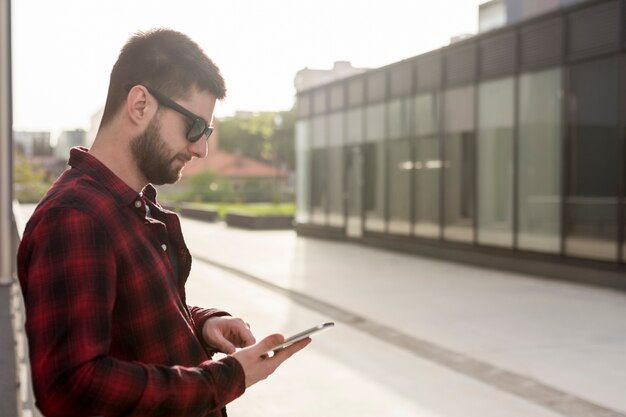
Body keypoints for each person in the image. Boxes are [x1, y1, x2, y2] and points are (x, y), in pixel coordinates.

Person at [17, 28, 310, 417]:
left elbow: (134, 324)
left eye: (206, 132)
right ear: (140, 105)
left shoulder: (129, 207)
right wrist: (226, 377)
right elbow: (73, 388)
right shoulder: (75, 217)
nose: (201, 149)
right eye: (194, 128)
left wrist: (203, 324)